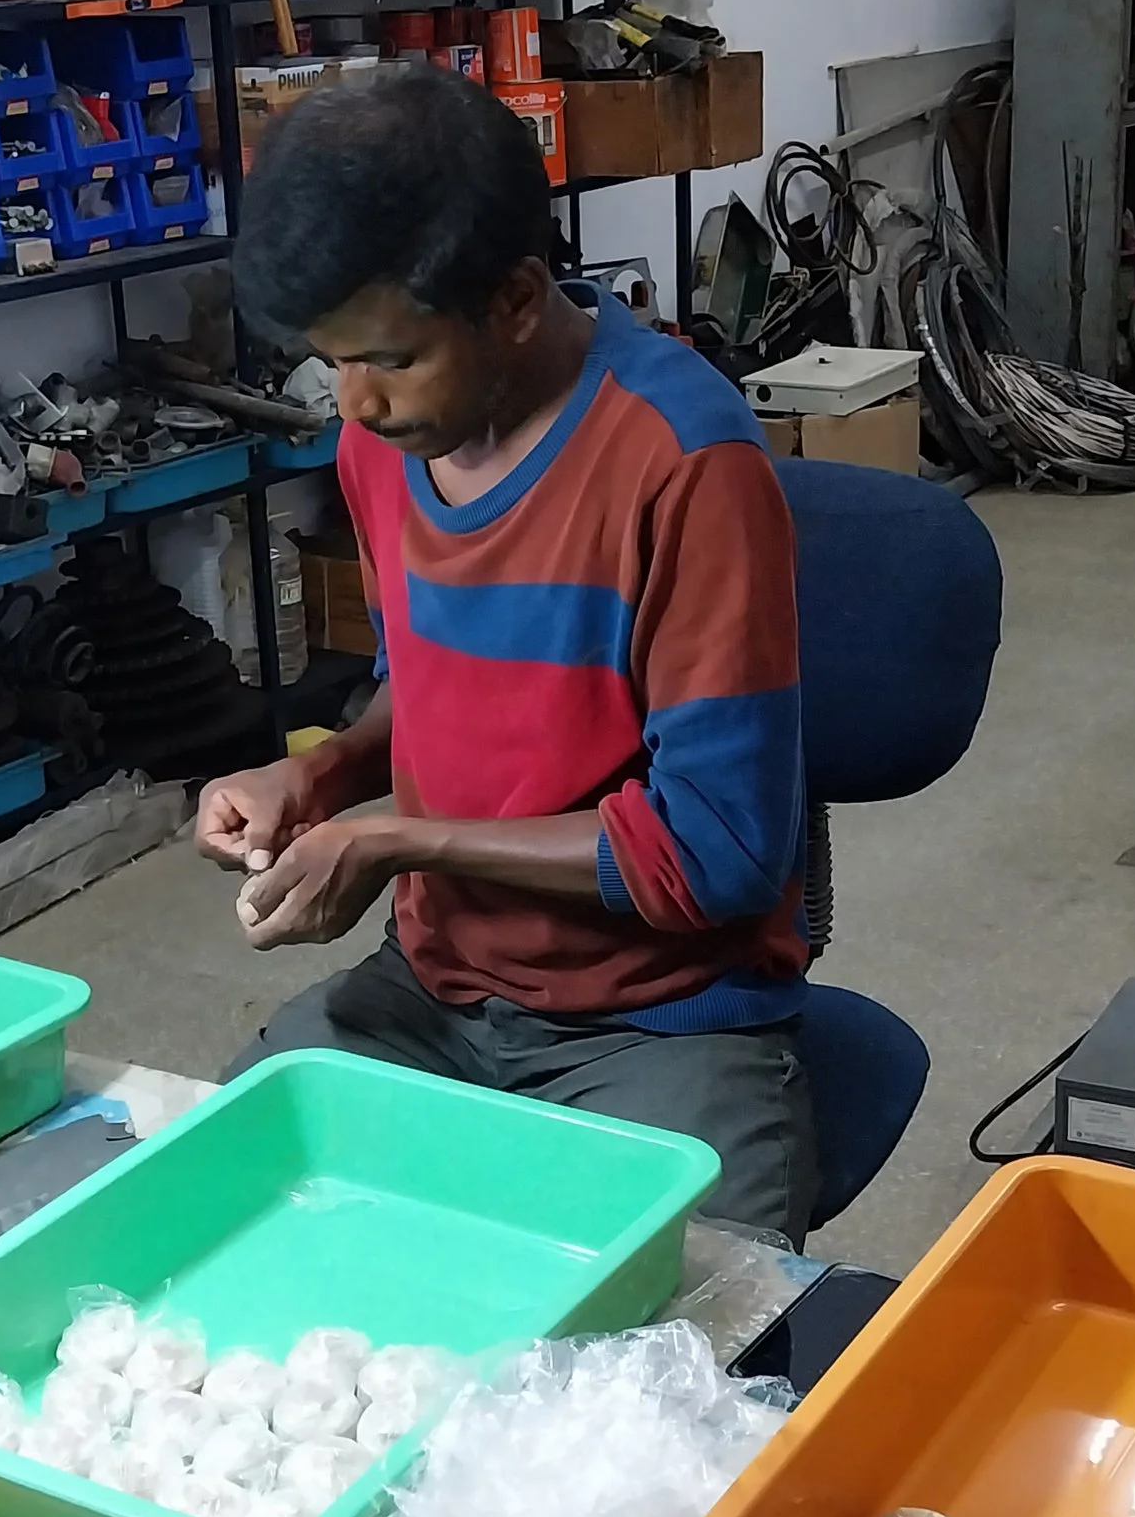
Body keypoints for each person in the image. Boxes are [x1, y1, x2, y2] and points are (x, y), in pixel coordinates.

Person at [196, 64, 816, 1238]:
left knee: (683, 1370)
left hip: (656, 1017)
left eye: (389, 357)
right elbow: (423, 695)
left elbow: (722, 851)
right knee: (199, 1234)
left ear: (518, 300)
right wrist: (318, 777)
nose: (356, 402)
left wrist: (394, 839)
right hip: (428, 992)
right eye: (334, 359)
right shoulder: (385, 447)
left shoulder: (685, 463)